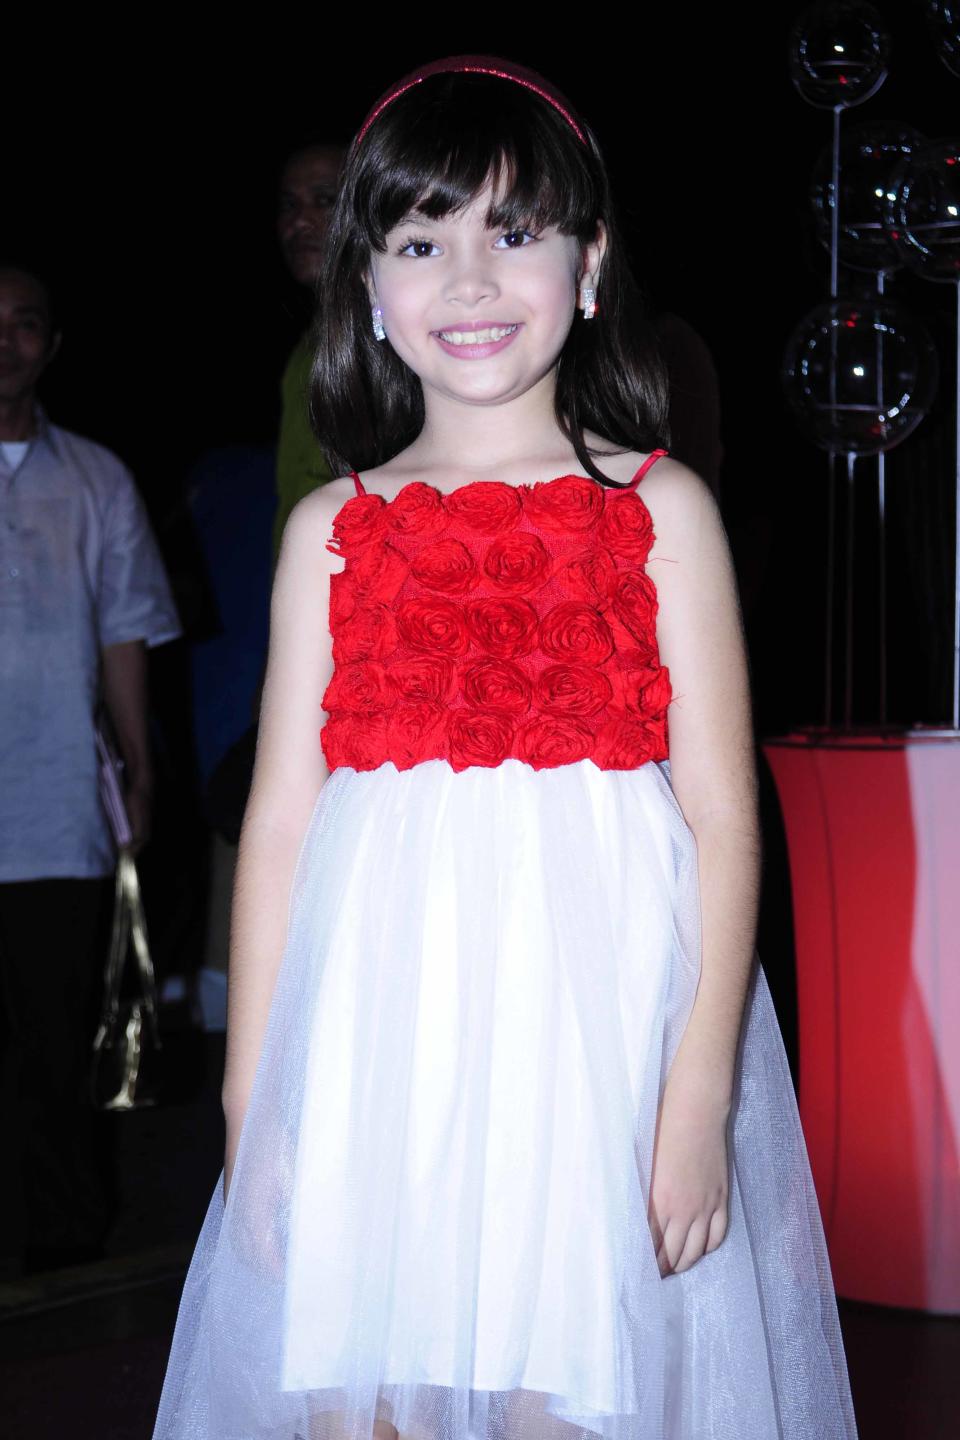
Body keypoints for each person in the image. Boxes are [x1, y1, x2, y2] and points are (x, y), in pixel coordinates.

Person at [152, 59, 858, 1440]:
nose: (469, 281)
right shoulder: (331, 531)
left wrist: (698, 1088)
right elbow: (284, 819)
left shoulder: (660, 512)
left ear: (589, 270)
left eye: (514, 233)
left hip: (584, 1019)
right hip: (377, 1026)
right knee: (370, 1378)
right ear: (367, 284)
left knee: (565, 1369)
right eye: (422, 242)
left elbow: (722, 810)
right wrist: (255, 1098)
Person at [0, 265, 182, 1273]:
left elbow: (125, 630)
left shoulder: (98, 477)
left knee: (60, 1040)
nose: (6, 340)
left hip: (60, 803)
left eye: (26, 322)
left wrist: (141, 771)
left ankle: (62, 1252)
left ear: (53, 344)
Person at [273, 140, 347, 565]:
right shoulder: (307, 347)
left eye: (325, 200)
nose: (300, 221)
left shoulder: (406, 339)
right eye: (288, 205)